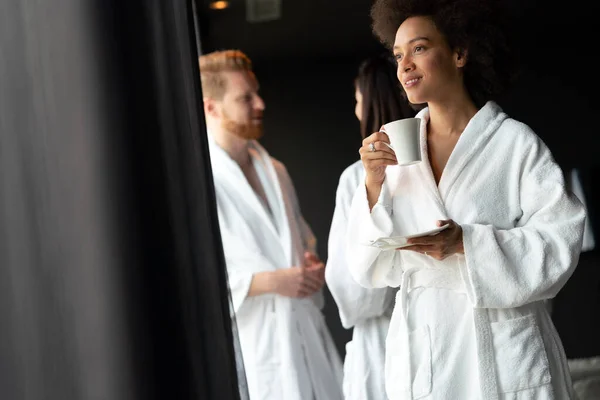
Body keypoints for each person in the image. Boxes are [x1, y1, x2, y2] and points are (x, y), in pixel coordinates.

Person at [346, 0, 586, 398]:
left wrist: (466, 243)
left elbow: (562, 240)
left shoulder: (513, 143)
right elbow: (366, 270)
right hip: (424, 347)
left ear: (459, 53)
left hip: (499, 345)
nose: (404, 65)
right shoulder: (398, 152)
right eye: (398, 55)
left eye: (419, 48)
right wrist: (373, 184)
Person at [199, 50, 343, 400]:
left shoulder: (274, 169)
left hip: (304, 327)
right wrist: (270, 281)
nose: (260, 103)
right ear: (211, 107)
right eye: (245, 98)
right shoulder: (202, 180)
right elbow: (195, 274)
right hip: (255, 338)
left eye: (257, 92)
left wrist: (310, 262)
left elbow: (301, 235)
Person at [325, 53, 415, 400]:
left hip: (382, 335)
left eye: (358, 99)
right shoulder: (434, 165)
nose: (356, 109)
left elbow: (348, 284)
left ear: (372, 100)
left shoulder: (357, 179)